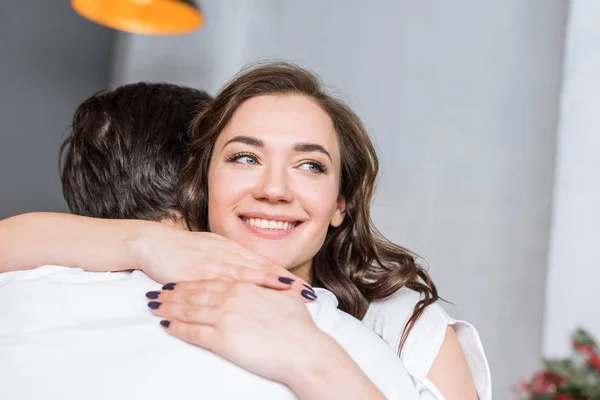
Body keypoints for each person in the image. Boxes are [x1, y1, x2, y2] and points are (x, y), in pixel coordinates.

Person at [0, 62, 491, 399]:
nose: (274, 188)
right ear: (201, 183)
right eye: (245, 157)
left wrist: (314, 359)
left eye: (311, 166)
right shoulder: (95, 279)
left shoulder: (397, 324)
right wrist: (144, 242)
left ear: (341, 204)